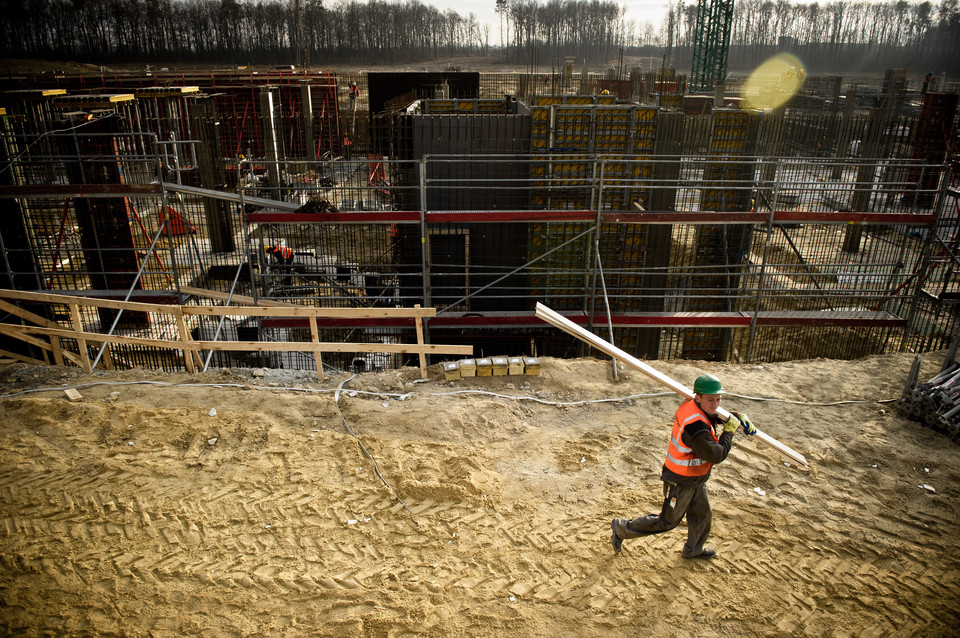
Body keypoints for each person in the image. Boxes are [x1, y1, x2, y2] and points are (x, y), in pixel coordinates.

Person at [610, 373, 756, 560]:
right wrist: (729, 430)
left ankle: (694, 550)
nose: (715, 404)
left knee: (702, 515)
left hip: (696, 477)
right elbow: (716, 454)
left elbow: (712, 415)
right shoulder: (695, 427)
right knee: (668, 522)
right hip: (680, 480)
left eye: (719, 399)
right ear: (698, 397)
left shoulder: (694, 405)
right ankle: (621, 528)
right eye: (711, 399)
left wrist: (735, 417)